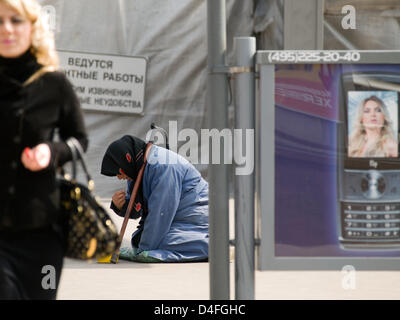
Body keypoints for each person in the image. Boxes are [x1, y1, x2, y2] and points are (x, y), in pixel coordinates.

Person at [0, 0, 88, 299]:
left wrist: (50, 152)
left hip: (41, 231)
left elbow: (79, 139)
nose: (7, 29)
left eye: (16, 20)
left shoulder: (54, 84)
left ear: (32, 28)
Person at [101, 135, 209, 263]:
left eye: (118, 172)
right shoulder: (137, 167)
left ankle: (213, 245)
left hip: (196, 218)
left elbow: (161, 213)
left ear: (127, 159)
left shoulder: (163, 165)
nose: (119, 177)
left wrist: (144, 251)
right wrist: (120, 206)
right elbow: (138, 208)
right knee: (139, 239)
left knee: (164, 242)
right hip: (176, 218)